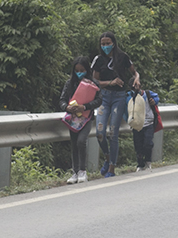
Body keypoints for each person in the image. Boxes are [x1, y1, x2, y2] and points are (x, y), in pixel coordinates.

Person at [91, 31, 140, 177]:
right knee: (100, 132)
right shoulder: (98, 60)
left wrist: (137, 79)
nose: (105, 46)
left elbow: (135, 73)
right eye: (103, 44)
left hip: (119, 97)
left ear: (113, 43)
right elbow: (94, 81)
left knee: (113, 133)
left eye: (108, 43)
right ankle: (107, 157)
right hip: (104, 98)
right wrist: (110, 82)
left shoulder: (123, 57)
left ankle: (112, 167)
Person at [59, 56, 102, 184]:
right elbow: (61, 100)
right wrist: (66, 107)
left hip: (86, 118)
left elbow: (99, 100)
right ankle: (75, 171)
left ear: (86, 70)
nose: (79, 73)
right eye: (77, 70)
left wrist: (85, 107)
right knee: (74, 144)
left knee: (81, 141)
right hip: (73, 119)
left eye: (82, 70)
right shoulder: (70, 83)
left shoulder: (93, 83)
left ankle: (83, 171)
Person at [126, 78, 160, 171]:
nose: (137, 85)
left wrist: (154, 101)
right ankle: (140, 164)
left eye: (138, 83)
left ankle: (148, 161)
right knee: (138, 145)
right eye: (135, 84)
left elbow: (156, 97)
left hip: (149, 122)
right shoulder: (129, 97)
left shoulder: (147, 93)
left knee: (148, 143)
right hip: (137, 124)